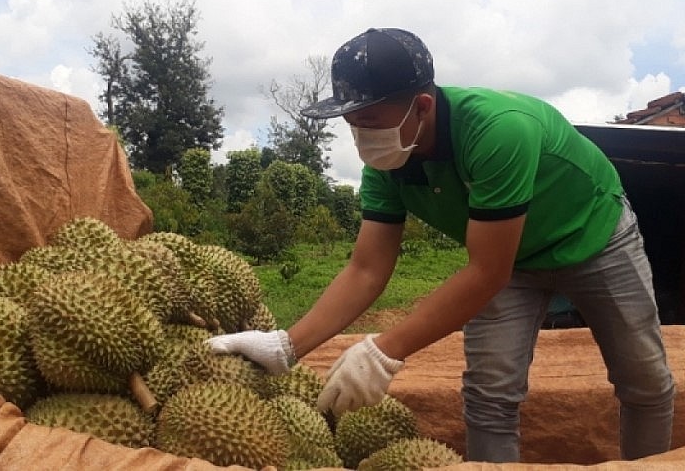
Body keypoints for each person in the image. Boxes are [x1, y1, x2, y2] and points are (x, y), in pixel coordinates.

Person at [207, 27, 675, 463]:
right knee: (489, 395)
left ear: (424, 106)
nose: (362, 136)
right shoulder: (387, 166)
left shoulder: (499, 130)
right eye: (352, 123)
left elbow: (487, 272)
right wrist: (288, 346)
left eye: (370, 120)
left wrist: (383, 350)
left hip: (594, 237)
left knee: (645, 382)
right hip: (511, 266)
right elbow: (366, 270)